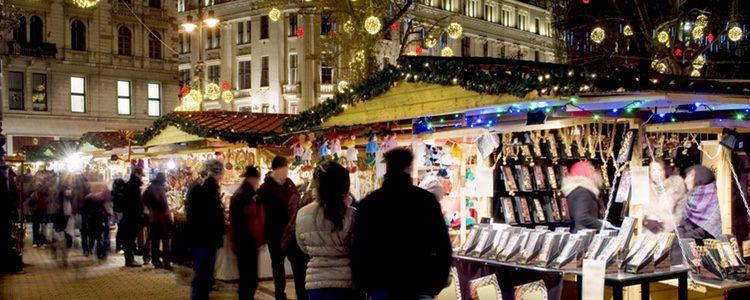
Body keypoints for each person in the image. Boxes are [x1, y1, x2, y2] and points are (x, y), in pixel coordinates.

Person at [352, 149, 452, 300]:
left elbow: (360, 247)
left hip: (382, 282)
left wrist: (364, 284)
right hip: (419, 281)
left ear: (387, 166)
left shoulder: (370, 203)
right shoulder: (426, 201)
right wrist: (437, 281)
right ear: (409, 167)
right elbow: (442, 245)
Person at [296, 162, 359, 300]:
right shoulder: (351, 214)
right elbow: (357, 246)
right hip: (346, 280)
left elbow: (303, 247)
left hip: (316, 281)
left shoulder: (303, 213)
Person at [258, 156, 308, 300]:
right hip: (275, 233)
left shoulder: (289, 184)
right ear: (276, 170)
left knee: (299, 265)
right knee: (278, 265)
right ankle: (280, 294)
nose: (286, 172)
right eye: (284, 168)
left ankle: (302, 295)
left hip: (292, 233)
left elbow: (295, 201)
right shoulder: (265, 189)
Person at [186, 159, 226, 300]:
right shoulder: (207, 190)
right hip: (205, 239)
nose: (222, 175)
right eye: (220, 172)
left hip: (202, 239)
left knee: (203, 275)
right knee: (203, 275)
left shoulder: (199, 187)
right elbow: (209, 216)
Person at [229, 166, 264, 299]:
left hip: (246, 241)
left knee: (248, 277)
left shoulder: (246, 194)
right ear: (252, 178)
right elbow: (244, 221)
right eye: (256, 178)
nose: (257, 181)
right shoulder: (245, 196)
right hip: (246, 241)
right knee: (248, 277)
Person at [642, 160, 687, 237]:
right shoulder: (646, 188)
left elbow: (682, 211)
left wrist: (665, 224)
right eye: (653, 170)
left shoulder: (675, 187)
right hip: (649, 233)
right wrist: (647, 221)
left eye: (659, 170)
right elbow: (642, 212)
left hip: (671, 232)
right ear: (649, 173)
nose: (656, 174)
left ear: (665, 171)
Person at [679, 165, 722, 240]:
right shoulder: (691, 197)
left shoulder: (710, 199)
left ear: (700, 177)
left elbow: (707, 230)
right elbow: (684, 222)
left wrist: (682, 237)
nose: (686, 180)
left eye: (691, 176)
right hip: (689, 239)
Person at [561, 161, 606, 233]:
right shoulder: (583, 192)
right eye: (591, 171)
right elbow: (581, 216)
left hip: (582, 232)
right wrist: (601, 225)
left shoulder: (574, 190)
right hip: (586, 234)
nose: (594, 174)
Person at [143, 172, 173, 269]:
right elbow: (165, 206)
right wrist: (169, 218)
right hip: (162, 219)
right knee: (165, 240)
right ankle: (166, 262)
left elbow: (143, 199)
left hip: (153, 218)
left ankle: (156, 261)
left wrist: (149, 209)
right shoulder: (160, 189)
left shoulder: (150, 188)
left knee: (155, 240)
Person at [121, 170, 145, 267]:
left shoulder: (129, 185)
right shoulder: (133, 187)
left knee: (129, 237)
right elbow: (136, 202)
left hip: (128, 215)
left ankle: (129, 259)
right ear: (137, 175)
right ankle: (130, 260)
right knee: (130, 237)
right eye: (140, 176)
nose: (141, 178)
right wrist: (140, 212)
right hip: (132, 215)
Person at [82, 177, 110, 259]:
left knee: (94, 234)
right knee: (100, 235)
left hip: (93, 216)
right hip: (100, 216)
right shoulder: (103, 192)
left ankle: (93, 249)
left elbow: (86, 206)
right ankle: (101, 251)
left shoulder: (89, 197)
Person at [111, 178, 127, 253]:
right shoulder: (121, 193)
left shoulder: (114, 192)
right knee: (121, 229)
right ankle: (120, 246)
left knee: (120, 229)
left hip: (116, 211)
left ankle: (119, 245)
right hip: (120, 212)